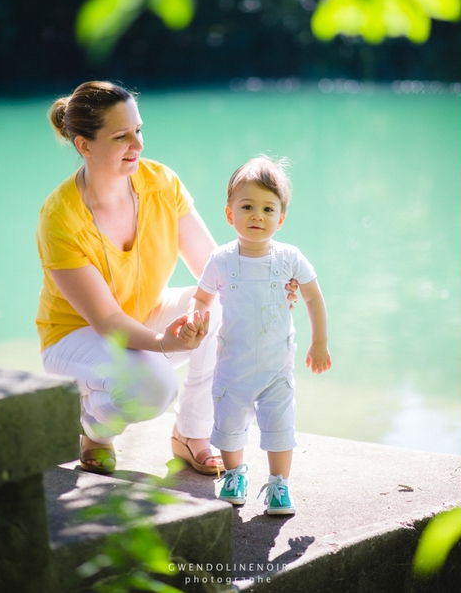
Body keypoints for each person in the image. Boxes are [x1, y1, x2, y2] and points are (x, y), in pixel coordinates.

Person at [36, 81, 298, 476]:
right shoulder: (60, 218)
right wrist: (163, 343)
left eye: (138, 130)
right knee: (153, 389)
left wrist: (269, 288)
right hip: (75, 337)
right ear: (84, 145)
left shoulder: (161, 183)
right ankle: (92, 426)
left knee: (223, 305)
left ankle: (191, 435)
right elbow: (106, 321)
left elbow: (217, 270)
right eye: (121, 136)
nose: (137, 145)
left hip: (144, 315)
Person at [189, 156, 331, 515]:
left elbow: (314, 296)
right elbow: (202, 296)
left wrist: (319, 342)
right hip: (233, 364)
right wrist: (197, 318)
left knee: (280, 426)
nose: (257, 215)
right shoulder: (221, 259)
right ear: (229, 214)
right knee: (229, 424)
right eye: (247, 206)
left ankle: (279, 485)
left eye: (268, 208)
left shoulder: (290, 258)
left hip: (276, 367)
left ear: (280, 218)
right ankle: (234, 475)